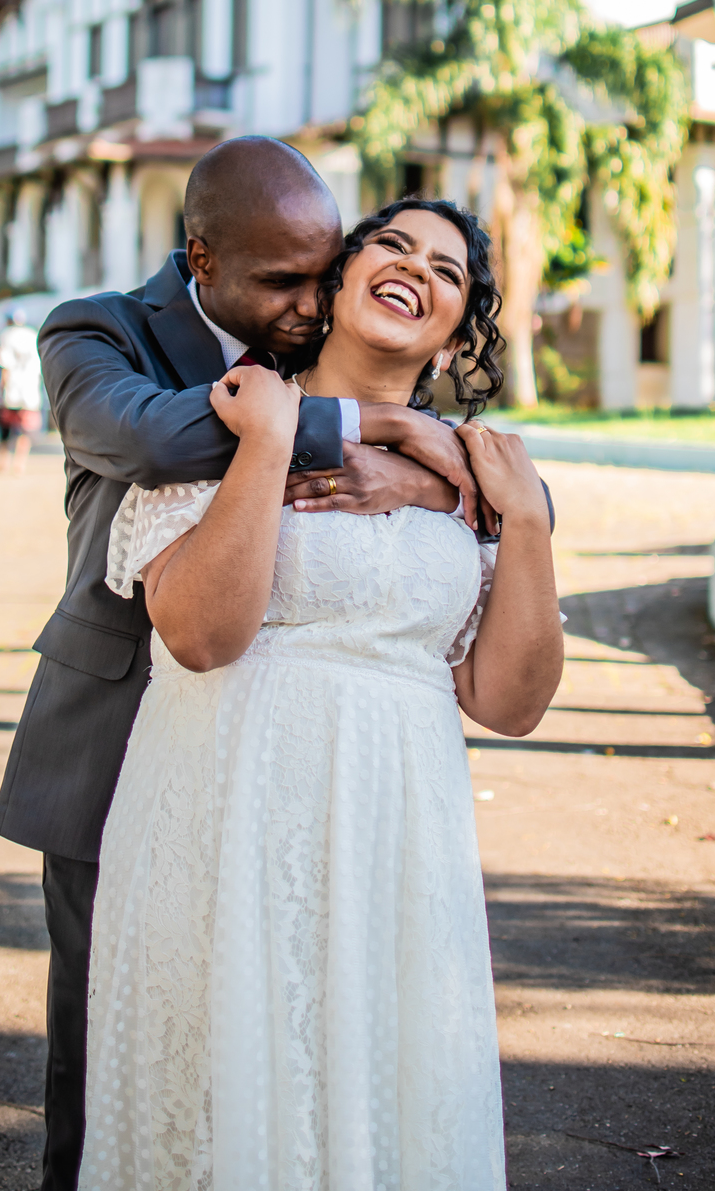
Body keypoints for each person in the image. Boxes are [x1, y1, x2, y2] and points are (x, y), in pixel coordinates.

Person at [0, 139, 488, 1191]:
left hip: (285, 759)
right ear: (202, 260)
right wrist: (375, 425)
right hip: (118, 729)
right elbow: (144, 438)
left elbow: (475, 489)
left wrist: (431, 481)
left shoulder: (325, 343)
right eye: (284, 282)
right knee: (111, 1059)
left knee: (292, 1036)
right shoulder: (100, 330)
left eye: (325, 273)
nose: (311, 304)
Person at [78, 198, 563, 1189]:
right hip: (224, 822)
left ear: (459, 325)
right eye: (391, 244)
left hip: (397, 843)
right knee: (218, 1108)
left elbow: (510, 701)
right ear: (335, 280)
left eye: (448, 269)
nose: (415, 268)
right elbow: (203, 635)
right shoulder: (218, 416)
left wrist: (523, 520)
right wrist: (269, 443)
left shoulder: (477, 472)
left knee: (384, 1109)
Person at [0, 309, 44, 472]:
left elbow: (5, 364)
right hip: (30, 389)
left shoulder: (6, 336)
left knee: (5, 429)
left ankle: (1, 463)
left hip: (12, 389)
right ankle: (19, 464)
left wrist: (1, 388)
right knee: (26, 431)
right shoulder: (33, 334)